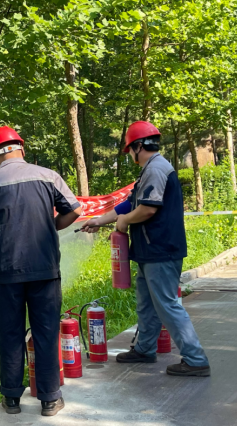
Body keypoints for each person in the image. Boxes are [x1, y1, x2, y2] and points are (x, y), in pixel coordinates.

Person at [82, 120, 211, 377]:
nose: (130, 154)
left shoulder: (156, 170)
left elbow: (148, 209)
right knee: (147, 304)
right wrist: (99, 220)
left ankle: (196, 360)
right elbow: (128, 205)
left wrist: (124, 222)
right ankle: (144, 349)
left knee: (166, 304)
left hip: (161, 250)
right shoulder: (149, 171)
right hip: (149, 252)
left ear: (139, 146)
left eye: (130, 149)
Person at [0, 126, 82, 417]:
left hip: (5, 273)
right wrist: (51, 227)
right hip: (44, 270)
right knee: (46, 332)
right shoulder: (48, 176)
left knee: (9, 334)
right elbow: (75, 210)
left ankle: (11, 399)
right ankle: (49, 400)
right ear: (20, 148)